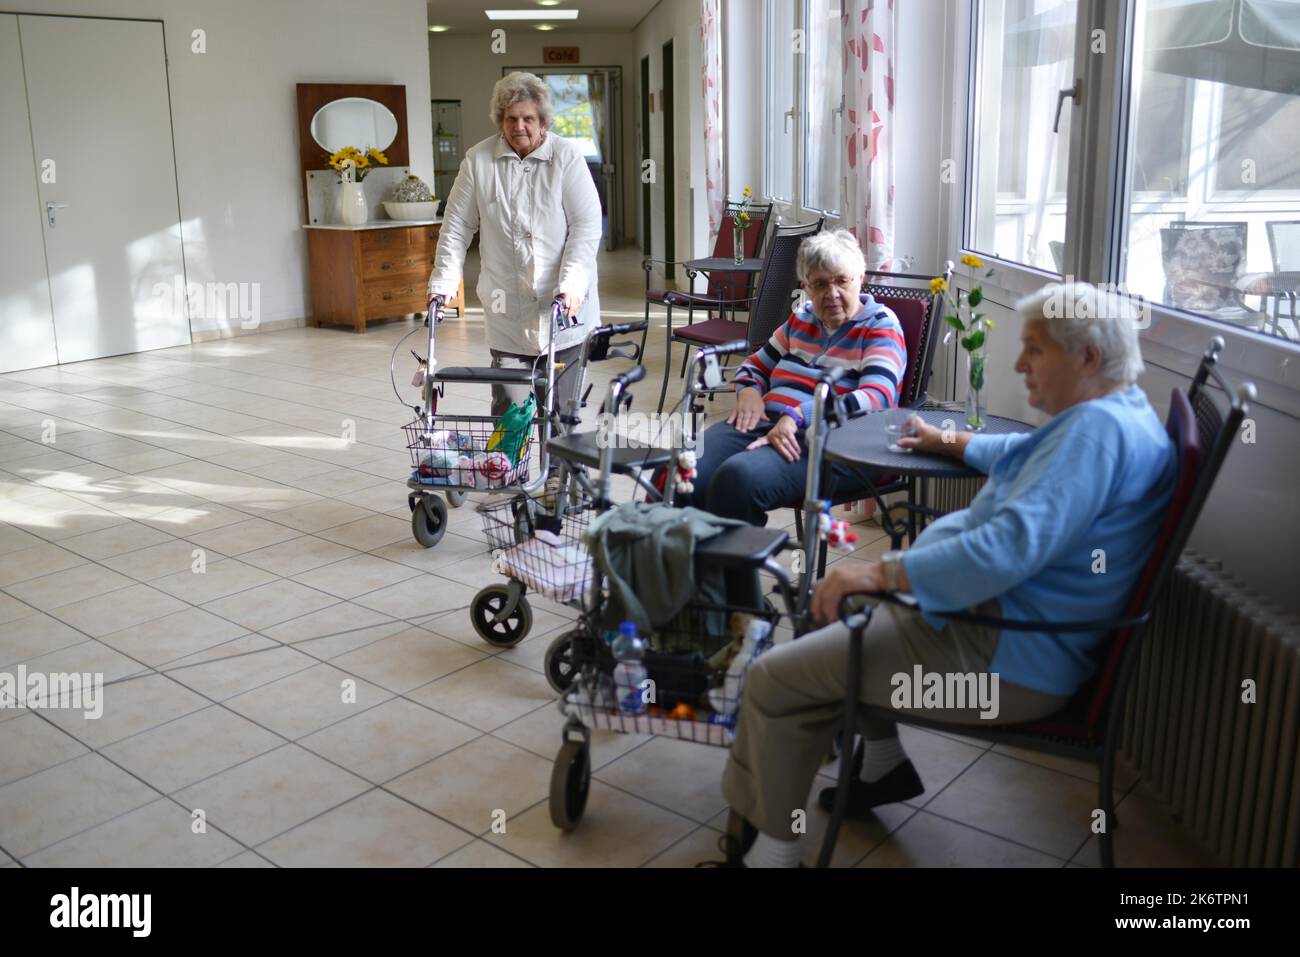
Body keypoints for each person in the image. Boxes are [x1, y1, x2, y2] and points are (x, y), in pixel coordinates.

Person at [714, 282, 1176, 867]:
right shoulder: (1117, 413)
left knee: (776, 681)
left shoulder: (1095, 436)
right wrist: (951, 441)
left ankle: (771, 855)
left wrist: (882, 574)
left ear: (1086, 357)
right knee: (846, 615)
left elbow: (999, 554)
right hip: (1005, 631)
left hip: (999, 660)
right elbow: (1029, 460)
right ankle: (882, 766)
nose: (1018, 363)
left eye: (1034, 349)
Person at [683, 229, 906, 525]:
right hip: (765, 423)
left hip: (834, 442)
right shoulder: (801, 318)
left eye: (842, 280)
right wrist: (748, 391)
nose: (832, 294)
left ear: (860, 278)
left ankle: (732, 569)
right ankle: (689, 565)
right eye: (820, 284)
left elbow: (877, 397)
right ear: (807, 288)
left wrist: (799, 415)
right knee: (685, 469)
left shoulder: (880, 325)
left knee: (737, 479)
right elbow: (755, 365)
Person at [426, 71, 602, 423]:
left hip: (562, 310)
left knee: (560, 415)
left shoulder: (566, 158)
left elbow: (586, 226)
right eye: (511, 118)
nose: (519, 126)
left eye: (528, 119)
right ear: (500, 120)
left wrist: (571, 284)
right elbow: (457, 227)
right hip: (507, 311)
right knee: (510, 412)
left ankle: (557, 479)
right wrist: (443, 285)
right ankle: (508, 477)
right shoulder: (478, 161)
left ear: (543, 121)